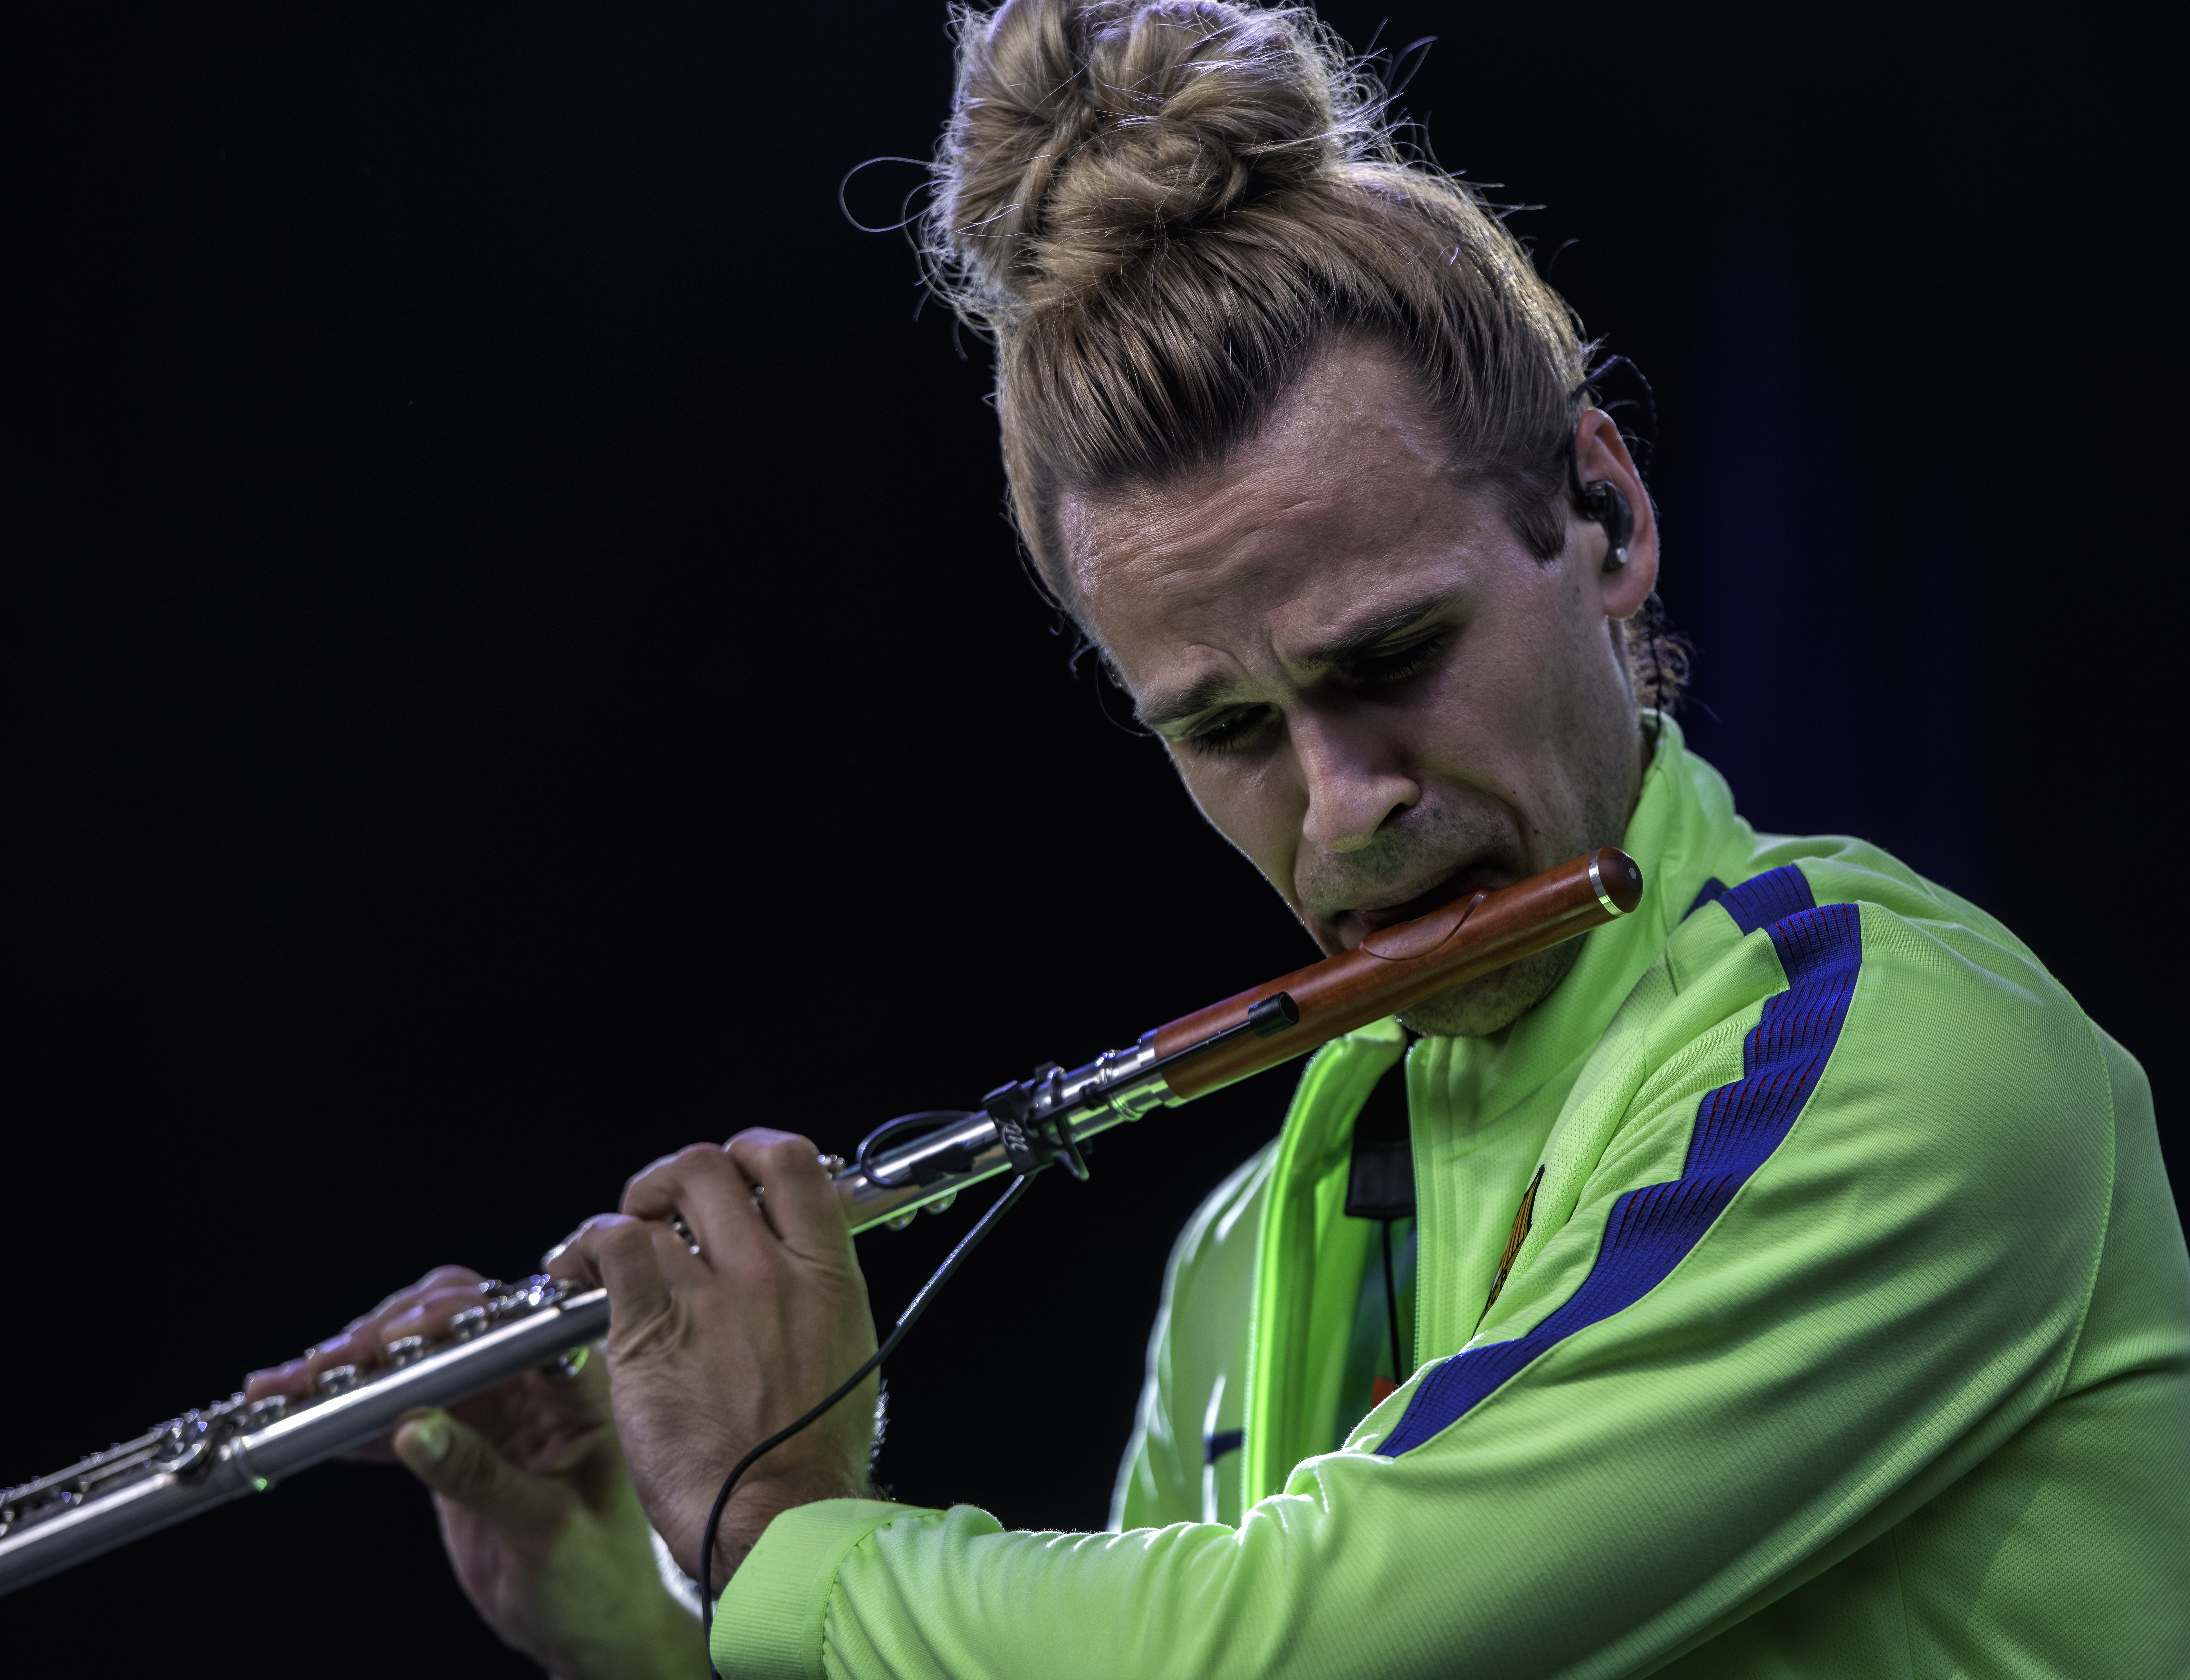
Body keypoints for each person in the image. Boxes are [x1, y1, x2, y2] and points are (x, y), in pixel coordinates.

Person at [247, 2, 2190, 1674]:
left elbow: (1303, 1646)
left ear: (1598, 517)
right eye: (1229, 728)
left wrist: (765, 1538)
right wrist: (631, 1597)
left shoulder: (1896, 1070)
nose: (1345, 799)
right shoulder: (1252, 1248)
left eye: (1395, 656)